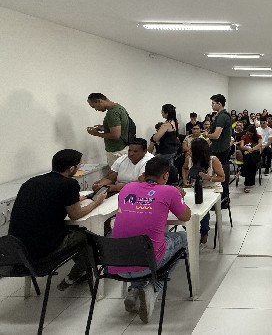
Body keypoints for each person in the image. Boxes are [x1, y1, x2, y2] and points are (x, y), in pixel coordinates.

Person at [8, 149, 107, 291]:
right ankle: (74, 275)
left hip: (17, 249)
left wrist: (77, 199)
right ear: (71, 168)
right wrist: (97, 201)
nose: (80, 168)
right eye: (79, 166)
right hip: (41, 250)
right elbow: (76, 215)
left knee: (72, 233)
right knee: (88, 236)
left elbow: (49, 200)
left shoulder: (32, 182)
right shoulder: (69, 184)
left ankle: (82, 269)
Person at [110, 157, 190, 323]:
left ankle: (134, 289)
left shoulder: (127, 188)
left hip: (116, 263)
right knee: (183, 237)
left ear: (144, 174)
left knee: (147, 242)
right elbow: (186, 216)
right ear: (165, 176)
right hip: (147, 264)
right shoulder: (170, 191)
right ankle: (152, 288)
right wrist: (180, 197)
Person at [182, 138, 225, 248]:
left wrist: (209, 178)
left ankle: (204, 232)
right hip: (195, 187)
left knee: (202, 207)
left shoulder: (213, 160)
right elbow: (185, 168)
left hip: (212, 188)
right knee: (185, 205)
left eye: (191, 149)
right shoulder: (189, 159)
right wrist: (185, 179)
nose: (189, 151)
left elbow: (222, 177)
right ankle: (189, 228)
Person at [86, 93, 130, 167]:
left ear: (98, 101)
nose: (96, 109)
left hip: (116, 152)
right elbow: (120, 127)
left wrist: (96, 133)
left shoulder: (112, 113)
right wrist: (105, 127)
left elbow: (115, 135)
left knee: (116, 173)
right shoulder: (119, 108)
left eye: (94, 106)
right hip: (123, 148)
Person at [204, 94, 232, 204]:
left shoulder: (222, 116)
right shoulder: (221, 115)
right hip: (219, 147)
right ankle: (221, 197)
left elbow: (216, 135)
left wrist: (206, 134)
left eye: (213, 103)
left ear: (219, 104)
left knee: (221, 173)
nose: (211, 105)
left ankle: (224, 198)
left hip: (221, 149)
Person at [239, 125, 262, 193]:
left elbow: (259, 145)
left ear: (254, 133)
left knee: (251, 158)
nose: (249, 135)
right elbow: (241, 146)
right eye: (248, 133)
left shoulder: (258, 136)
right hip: (247, 155)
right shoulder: (244, 137)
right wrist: (247, 148)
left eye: (251, 134)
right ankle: (248, 184)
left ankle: (241, 172)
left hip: (256, 154)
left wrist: (251, 150)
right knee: (250, 161)